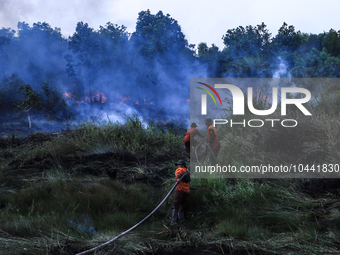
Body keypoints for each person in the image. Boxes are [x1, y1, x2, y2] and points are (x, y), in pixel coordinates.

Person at [171, 159, 190, 225]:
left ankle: (173, 223)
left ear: (182, 165)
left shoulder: (179, 170)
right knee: (182, 207)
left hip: (180, 190)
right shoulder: (187, 172)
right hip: (187, 192)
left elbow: (178, 174)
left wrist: (178, 178)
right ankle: (182, 223)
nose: (177, 166)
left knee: (175, 206)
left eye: (178, 165)